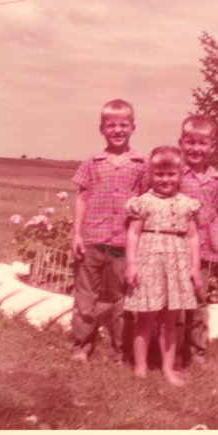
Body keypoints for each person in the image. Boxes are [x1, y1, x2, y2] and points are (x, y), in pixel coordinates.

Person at [70, 99, 146, 363]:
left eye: (123, 125)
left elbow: (146, 204)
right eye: (111, 125)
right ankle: (81, 345)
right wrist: (76, 233)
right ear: (102, 128)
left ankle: (121, 349)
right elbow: (81, 197)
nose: (117, 130)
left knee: (121, 300)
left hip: (123, 245)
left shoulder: (141, 164)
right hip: (92, 240)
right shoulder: (93, 162)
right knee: (85, 297)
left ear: (132, 127)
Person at [124, 146, 201, 386]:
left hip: (176, 264)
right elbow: (133, 234)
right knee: (144, 319)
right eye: (159, 174)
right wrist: (131, 264)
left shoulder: (187, 204)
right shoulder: (143, 202)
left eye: (171, 174)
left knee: (170, 321)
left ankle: (168, 369)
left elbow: (193, 237)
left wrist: (195, 267)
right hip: (149, 262)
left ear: (180, 174)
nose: (165, 179)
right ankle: (140, 367)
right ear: (151, 174)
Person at [177, 115, 218, 366]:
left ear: (212, 147)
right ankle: (173, 349)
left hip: (204, 250)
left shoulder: (217, 180)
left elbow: (217, 216)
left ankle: (197, 351)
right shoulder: (175, 174)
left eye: (202, 143)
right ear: (181, 143)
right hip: (176, 247)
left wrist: (216, 247)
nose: (196, 148)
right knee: (175, 300)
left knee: (199, 301)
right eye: (190, 142)